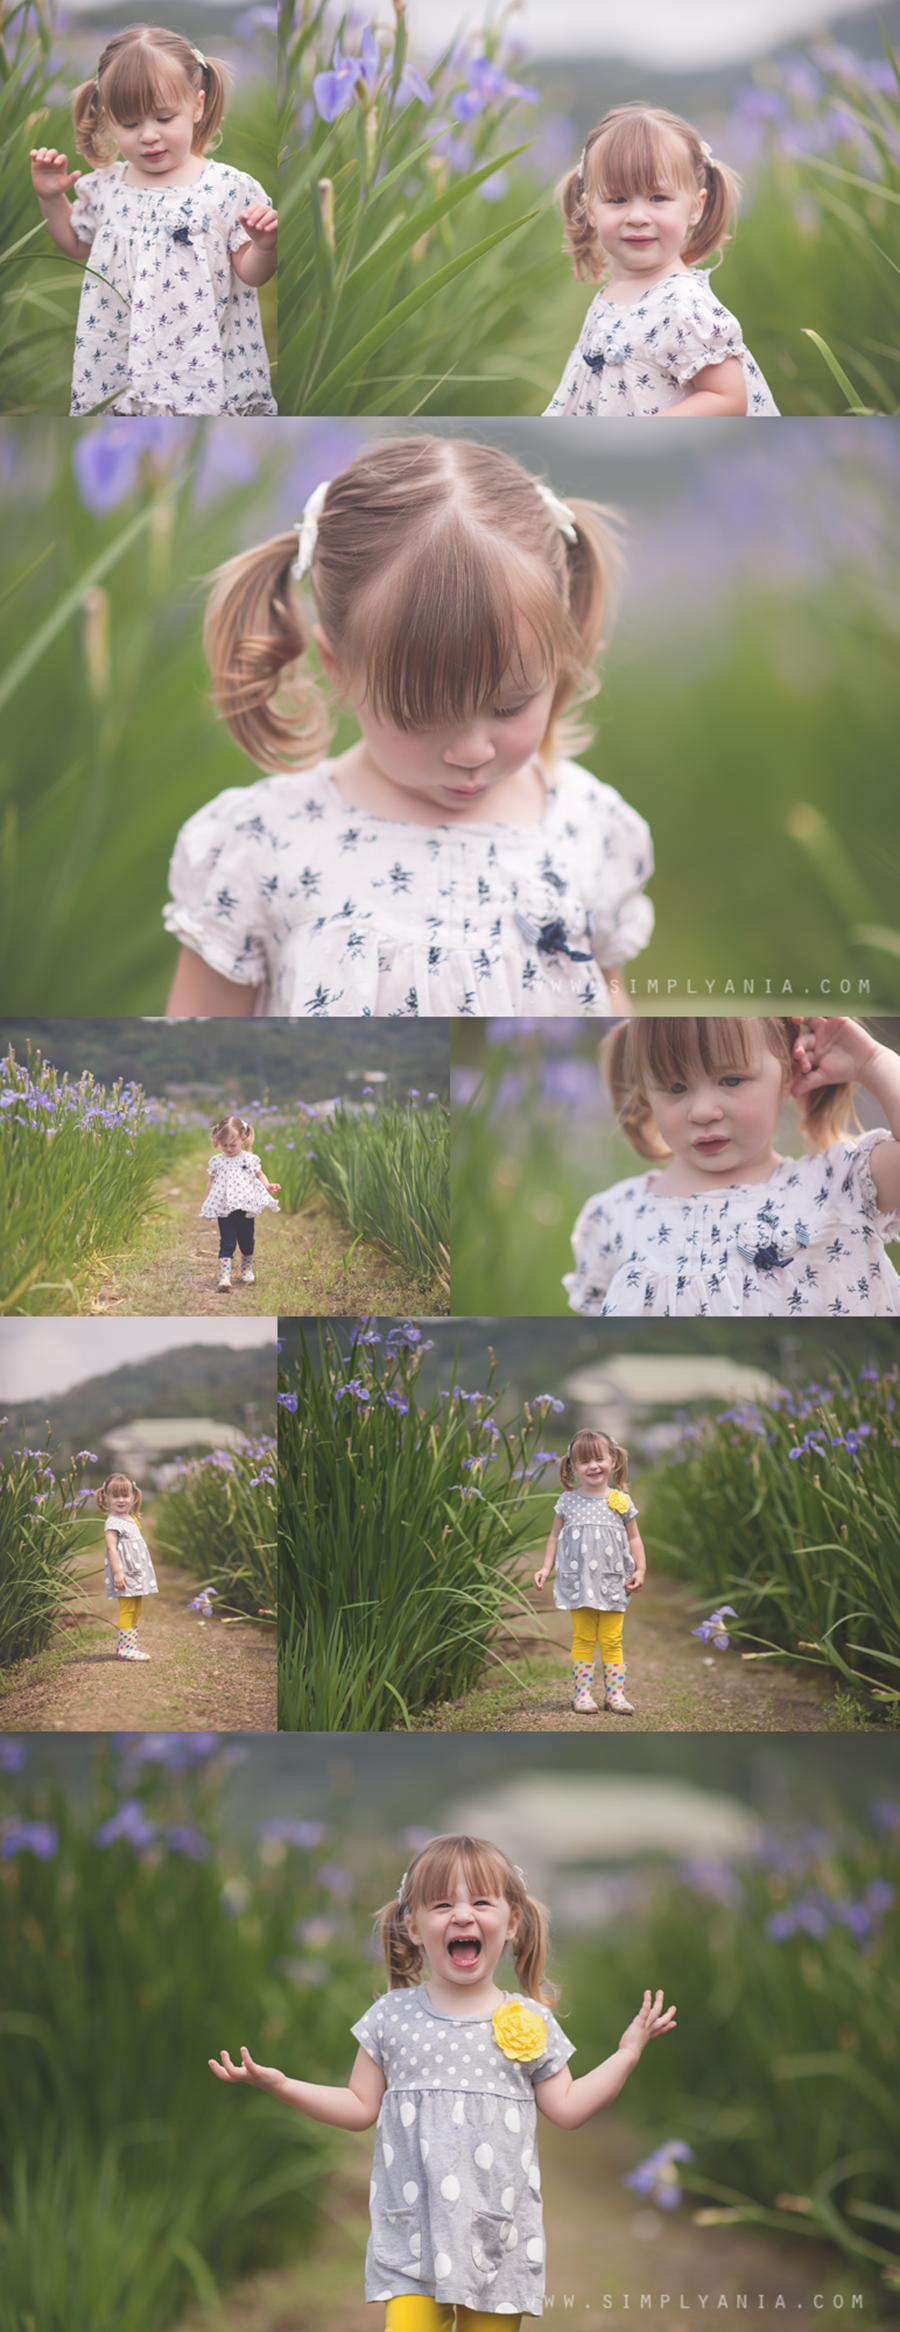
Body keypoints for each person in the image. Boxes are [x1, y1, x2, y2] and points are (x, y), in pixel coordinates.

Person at [163, 435, 654, 1018]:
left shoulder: (589, 830)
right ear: (338, 668)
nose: (472, 751)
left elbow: (608, 1016)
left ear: (559, 655)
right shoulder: (265, 845)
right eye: (421, 715)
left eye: (510, 705)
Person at [209, 1832, 676, 2324]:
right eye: (441, 1904)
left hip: (497, 2241)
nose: (462, 1914)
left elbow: (570, 2107)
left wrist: (626, 2054)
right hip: (411, 2238)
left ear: (512, 1921)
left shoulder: (529, 2021)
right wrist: (282, 2085)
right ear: (412, 1926)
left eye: (480, 1901)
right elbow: (358, 2107)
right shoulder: (390, 2017)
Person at [564, 1016, 900, 1316]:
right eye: (675, 1087)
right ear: (645, 1093)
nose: (703, 1111)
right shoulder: (616, 1217)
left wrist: (872, 1061)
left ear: (788, 1068)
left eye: (732, 1080)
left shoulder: (838, 1188)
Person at [30, 25, 276, 416]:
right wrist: (51, 197)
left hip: (199, 361)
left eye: (164, 118)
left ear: (196, 106)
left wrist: (264, 246)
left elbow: (250, 273)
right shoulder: (107, 188)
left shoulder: (228, 188)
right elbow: (76, 243)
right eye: (129, 124)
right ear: (108, 120)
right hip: (122, 358)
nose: (148, 136)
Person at [543, 104, 779, 419]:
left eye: (658, 198)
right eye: (617, 200)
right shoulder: (614, 294)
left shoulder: (682, 303)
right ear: (590, 210)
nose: (638, 217)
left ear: (696, 206)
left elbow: (728, 398)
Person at [533, 1428, 645, 1714]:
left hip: (613, 1582)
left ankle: (615, 1695)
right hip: (579, 1582)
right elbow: (554, 1537)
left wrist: (640, 1569)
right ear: (572, 1467)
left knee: (612, 1638)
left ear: (614, 1461)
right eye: (584, 1461)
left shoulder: (621, 1500)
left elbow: (634, 1538)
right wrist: (546, 1567)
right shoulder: (568, 1501)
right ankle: (582, 1694)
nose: (593, 1466)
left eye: (599, 1459)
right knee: (583, 1637)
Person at [200, 1113, 280, 1293]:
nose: (228, 1149)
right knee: (227, 1242)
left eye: (233, 1145)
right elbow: (211, 1182)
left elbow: (259, 1175)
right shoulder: (217, 1161)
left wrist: (268, 1185)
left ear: (244, 1138)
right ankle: (225, 1277)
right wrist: (207, 1200)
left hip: (245, 1208)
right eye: (224, 1145)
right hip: (225, 1209)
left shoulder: (249, 1159)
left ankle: (246, 1268)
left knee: (246, 1242)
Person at [97, 1473, 157, 1660]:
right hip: (125, 1573)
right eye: (115, 1496)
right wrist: (117, 1573)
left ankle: (130, 1645)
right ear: (106, 1498)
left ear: (133, 1497)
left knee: (137, 1609)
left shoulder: (130, 1518)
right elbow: (111, 1548)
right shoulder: (112, 1522)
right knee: (128, 1609)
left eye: (125, 1496)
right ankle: (126, 1648)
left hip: (137, 1573)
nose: (121, 1500)